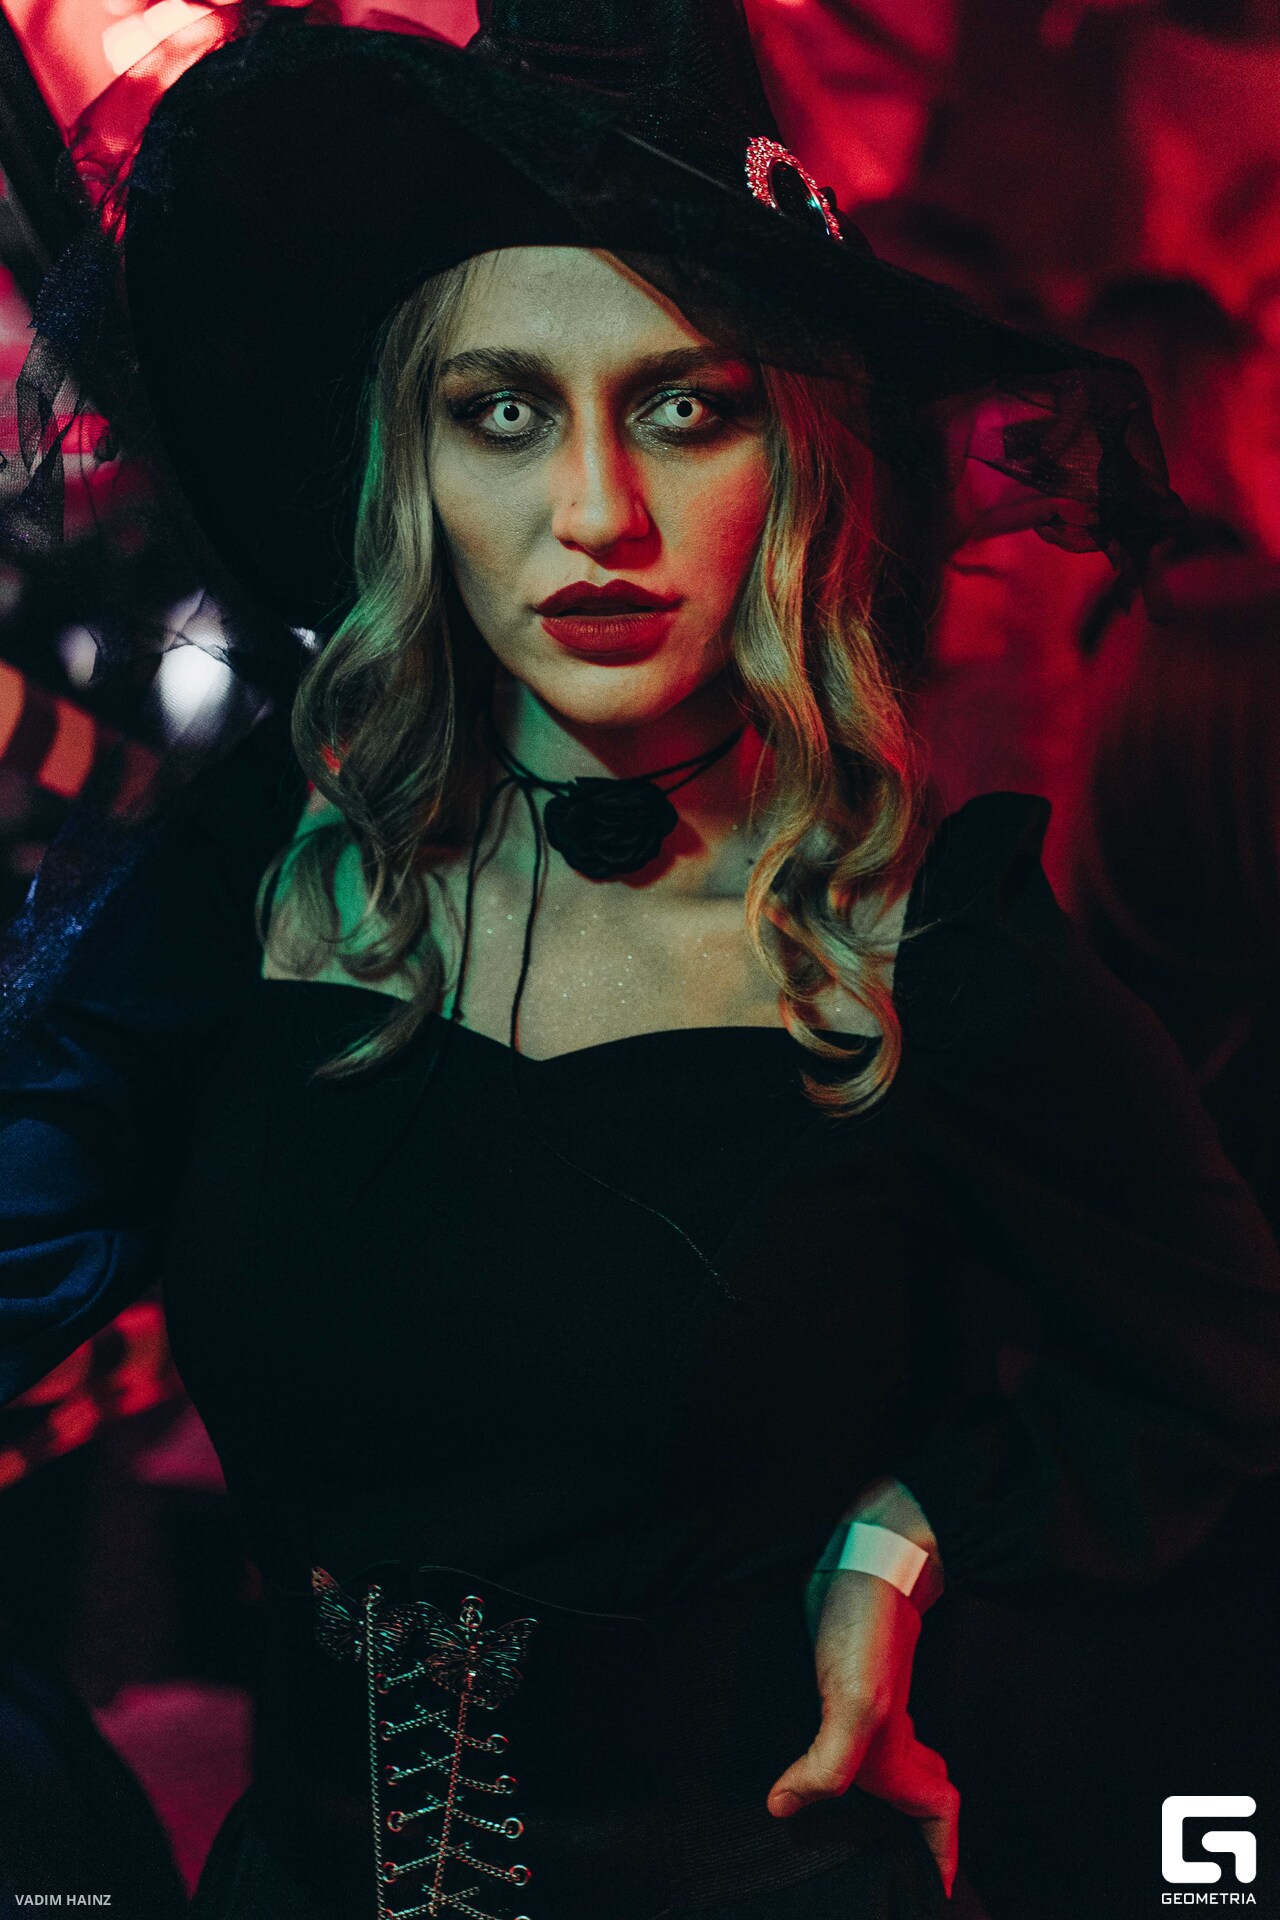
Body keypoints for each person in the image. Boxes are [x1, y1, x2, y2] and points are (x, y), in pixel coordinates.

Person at [0, 4, 1277, 1918]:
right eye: (503, 411)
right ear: (412, 465)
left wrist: (908, 1539)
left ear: (800, 458)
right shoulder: (251, 888)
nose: (597, 512)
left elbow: (1214, 1362)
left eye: (687, 408)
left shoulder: (923, 944)